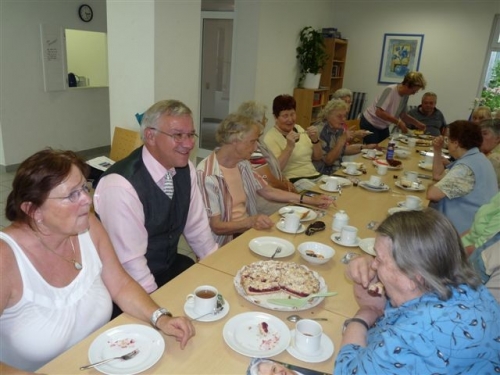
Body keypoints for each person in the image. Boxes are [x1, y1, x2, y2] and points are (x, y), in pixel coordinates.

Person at [0, 149, 195, 373]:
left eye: (84, 187)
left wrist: (160, 318)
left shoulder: (88, 225)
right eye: (71, 195)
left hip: (99, 363)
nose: (87, 199)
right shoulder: (6, 258)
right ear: (33, 210)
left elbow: (120, 284)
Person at [335, 209, 500, 374]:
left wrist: (361, 319)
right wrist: (368, 288)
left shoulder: (417, 333)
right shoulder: (468, 287)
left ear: (415, 275)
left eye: (379, 259)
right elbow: (382, 306)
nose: (373, 265)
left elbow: (348, 370)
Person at [94, 100, 217, 297]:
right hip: (126, 286)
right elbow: (130, 262)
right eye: (178, 136)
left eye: (191, 134)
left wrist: (216, 268)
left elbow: (197, 227)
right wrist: (159, 309)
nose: (189, 144)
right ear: (150, 136)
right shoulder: (120, 185)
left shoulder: (186, 170)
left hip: (167, 267)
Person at [196, 113, 334, 247]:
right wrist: (250, 222)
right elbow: (217, 227)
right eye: (252, 141)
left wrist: (311, 200)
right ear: (234, 141)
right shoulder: (207, 175)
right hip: (222, 244)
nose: (256, 147)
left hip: (245, 233)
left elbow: (267, 191)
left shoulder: (242, 163)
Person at [426, 120, 497, 234]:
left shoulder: (466, 169)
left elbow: (432, 194)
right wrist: (437, 150)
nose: (446, 144)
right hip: (473, 225)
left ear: (456, 143)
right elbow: (438, 175)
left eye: (447, 140)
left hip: (463, 232)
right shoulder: (477, 158)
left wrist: (432, 185)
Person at [236, 101, 296, 192]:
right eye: (264, 119)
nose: (266, 122)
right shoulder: (250, 146)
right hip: (263, 195)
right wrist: (287, 188)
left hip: (273, 189)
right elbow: (269, 180)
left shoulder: (259, 141)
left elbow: (273, 168)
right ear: (257, 122)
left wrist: (284, 181)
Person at [263, 94, 322, 182]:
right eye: (285, 116)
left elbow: (318, 157)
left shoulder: (299, 128)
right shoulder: (270, 138)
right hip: (294, 180)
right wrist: (289, 147)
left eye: (292, 114)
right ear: (275, 117)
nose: (290, 119)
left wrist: (315, 140)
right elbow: (275, 169)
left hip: (314, 175)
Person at [360, 71, 427, 144]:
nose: (413, 94)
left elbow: (403, 115)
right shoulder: (389, 90)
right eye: (413, 91)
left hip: (383, 126)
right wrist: (398, 122)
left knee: (386, 147)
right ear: (407, 84)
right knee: (375, 150)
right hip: (370, 123)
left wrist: (417, 124)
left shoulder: (405, 96)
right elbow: (379, 112)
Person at [313, 99, 377, 175]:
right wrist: (342, 140)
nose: (343, 119)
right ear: (328, 115)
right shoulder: (319, 131)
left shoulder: (338, 129)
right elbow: (328, 161)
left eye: (345, 116)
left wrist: (365, 147)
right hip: (324, 173)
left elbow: (343, 150)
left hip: (338, 169)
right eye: (339, 116)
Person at [479, 118, 500, 187]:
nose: (479, 137)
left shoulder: (494, 158)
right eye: (479, 133)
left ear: (497, 138)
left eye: (485, 134)